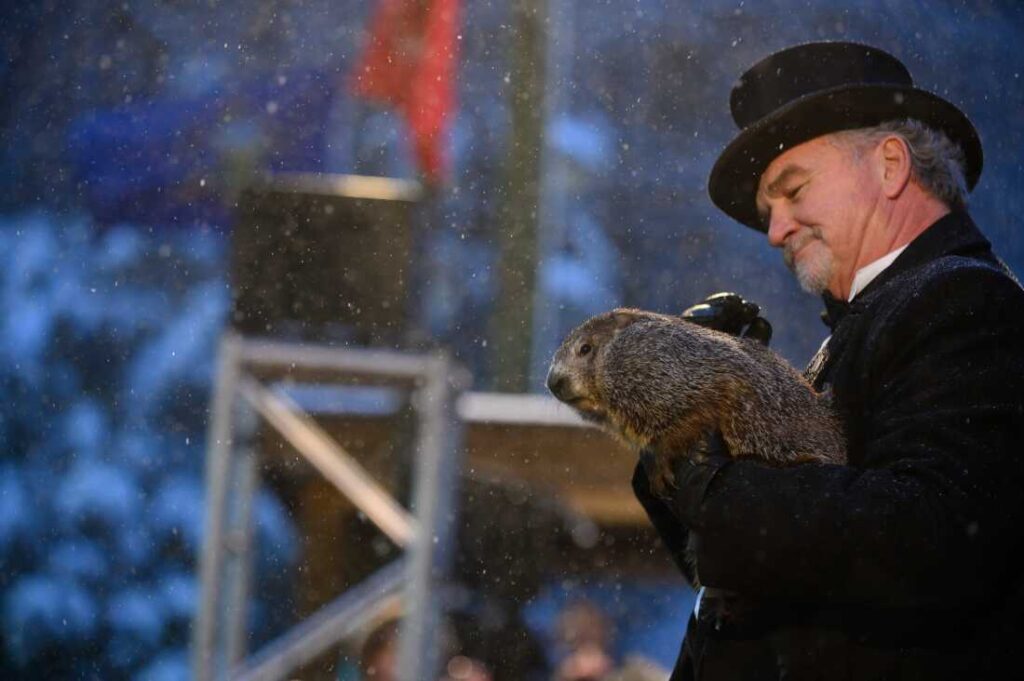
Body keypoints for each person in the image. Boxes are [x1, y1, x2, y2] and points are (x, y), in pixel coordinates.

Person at [631, 41, 1024, 680]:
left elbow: (931, 537)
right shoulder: (868, 322)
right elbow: (752, 568)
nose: (776, 230)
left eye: (793, 190)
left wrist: (724, 485)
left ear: (890, 165)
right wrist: (689, 426)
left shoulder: (962, 301)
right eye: (768, 212)